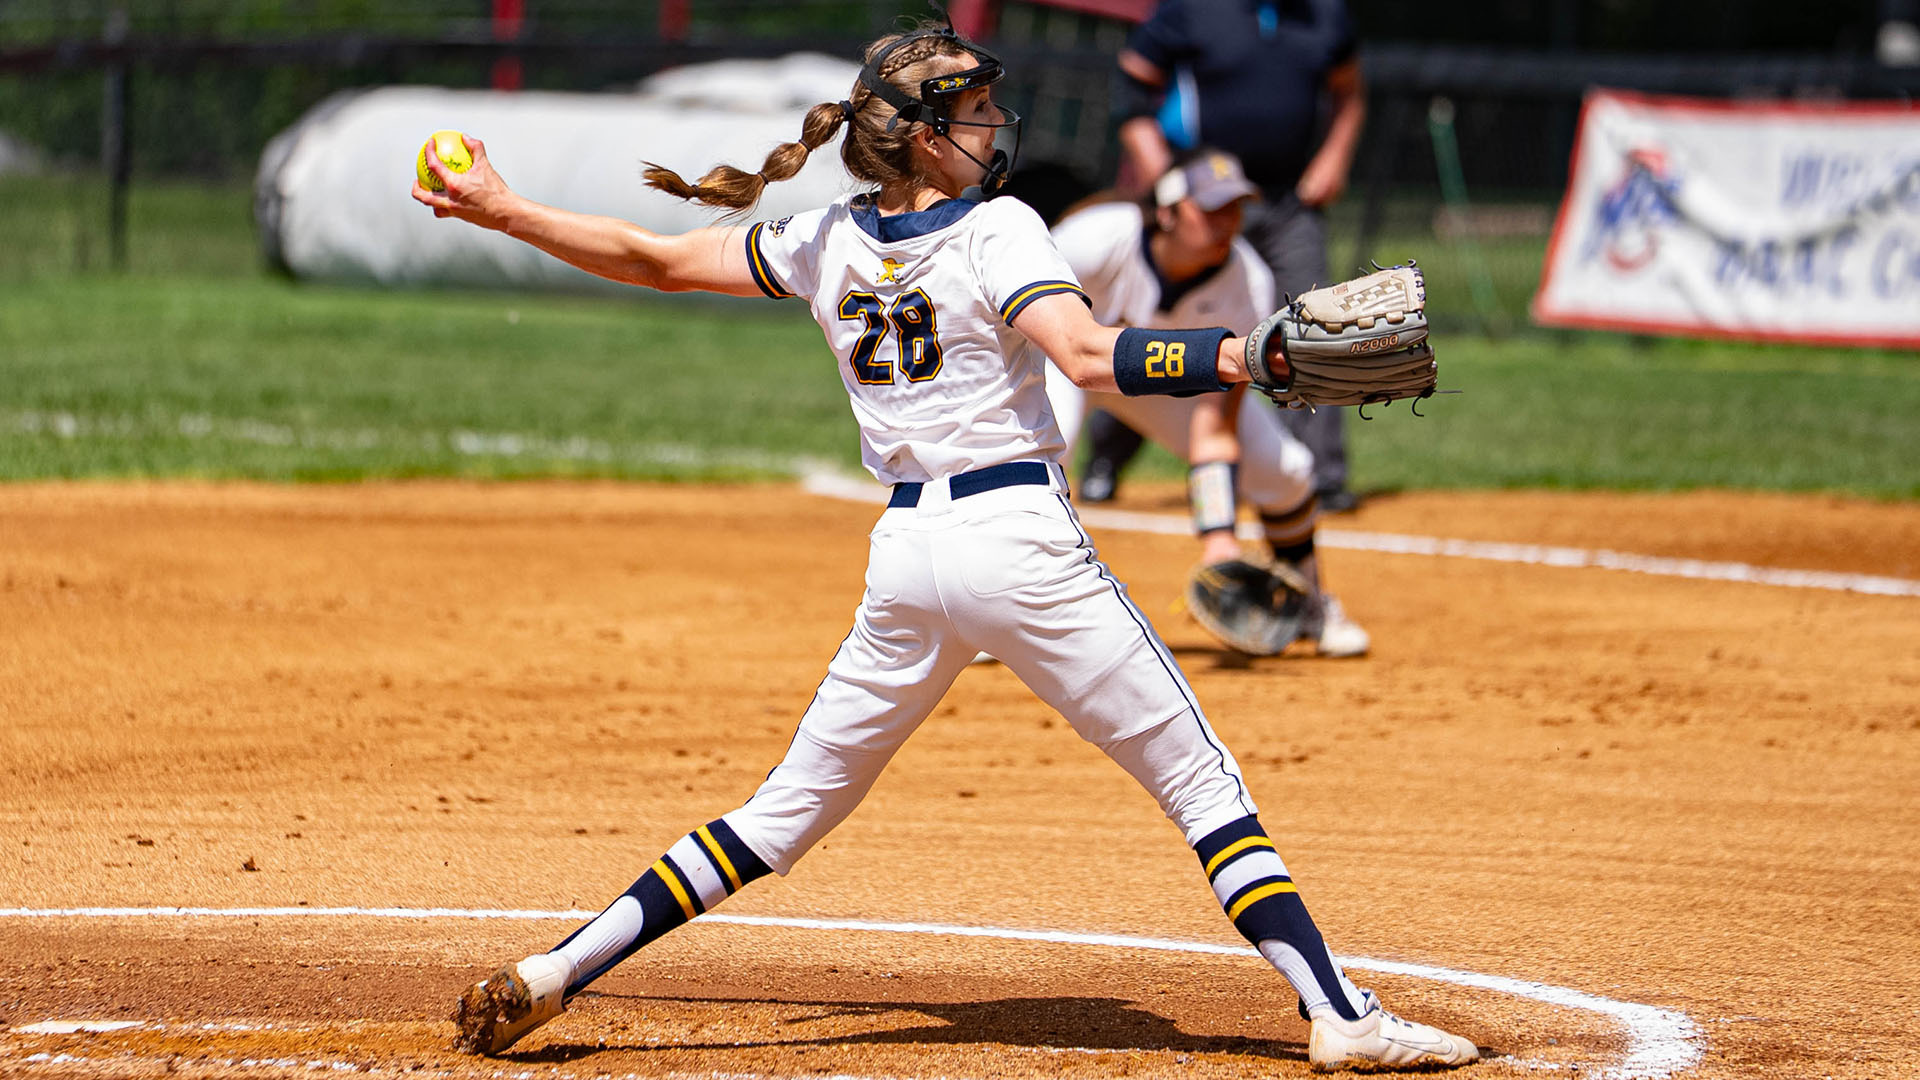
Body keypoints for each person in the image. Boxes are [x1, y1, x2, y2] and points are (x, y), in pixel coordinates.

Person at [412, 18, 1474, 1071]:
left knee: (780, 815)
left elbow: (654, 258)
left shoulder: (822, 237)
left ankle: (557, 969)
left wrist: (502, 210)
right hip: (1018, 542)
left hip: (909, 559)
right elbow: (1091, 356)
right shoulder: (997, 227)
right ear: (927, 138)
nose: (994, 123)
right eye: (974, 111)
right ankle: (1341, 1016)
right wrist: (1245, 354)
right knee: (1202, 786)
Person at [1045, 147, 1367, 657]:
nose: (1227, 223)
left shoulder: (1248, 283)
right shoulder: (1096, 238)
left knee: (1284, 469)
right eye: (1211, 209)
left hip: (1161, 389)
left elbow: (1215, 425)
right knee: (1048, 445)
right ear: (1168, 212)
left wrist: (1219, 538)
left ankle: (1309, 604)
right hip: (1063, 363)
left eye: (1234, 209)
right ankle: (1008, 610)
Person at [1111, 0, 1367, 512]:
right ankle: (1108, 459)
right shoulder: (1195, 9)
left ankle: (1321, 476)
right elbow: (1131, 84)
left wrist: (1336, 156)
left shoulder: (1323, 14)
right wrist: (1165, 172)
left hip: (1291, 199)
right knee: (1162, 321)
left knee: (1312, 323)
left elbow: (1349, 92)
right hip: (1206, 201)